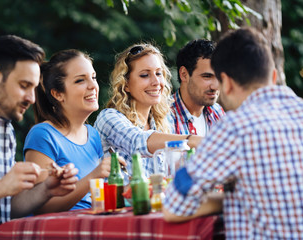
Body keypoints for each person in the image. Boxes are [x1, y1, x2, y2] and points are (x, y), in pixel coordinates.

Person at [163, 27, 303, 239]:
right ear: (273, 76)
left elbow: (174, 206)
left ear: (226, 83)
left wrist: (232, 197)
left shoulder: (235, 127)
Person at [0, 35, 78, 240]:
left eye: (34, 89)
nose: (32, 99)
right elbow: (0, 190)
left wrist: (46, 190)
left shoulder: (5, 132)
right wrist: (2, 187)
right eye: (24, 85)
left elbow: (8, 210)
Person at [24, 49, 126, 213]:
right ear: (58, 94)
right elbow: (41, 208)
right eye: (80, 80)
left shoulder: (92, 134)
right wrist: (94, 176)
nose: (93, 85)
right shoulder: (43, 135)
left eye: (93, 77)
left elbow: (94, 199)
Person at [94, 43, 202, 180]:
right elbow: (138, 142)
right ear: (125, 84)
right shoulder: (109, 118)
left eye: (159, 73)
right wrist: (193, 140)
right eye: (145, 75)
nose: (156, 81)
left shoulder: (163, 122)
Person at [171, 39, 225, 136]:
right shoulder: (163, 117)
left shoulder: (217, 112)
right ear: (184, 74)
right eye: (207, 76)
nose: (216, 86)